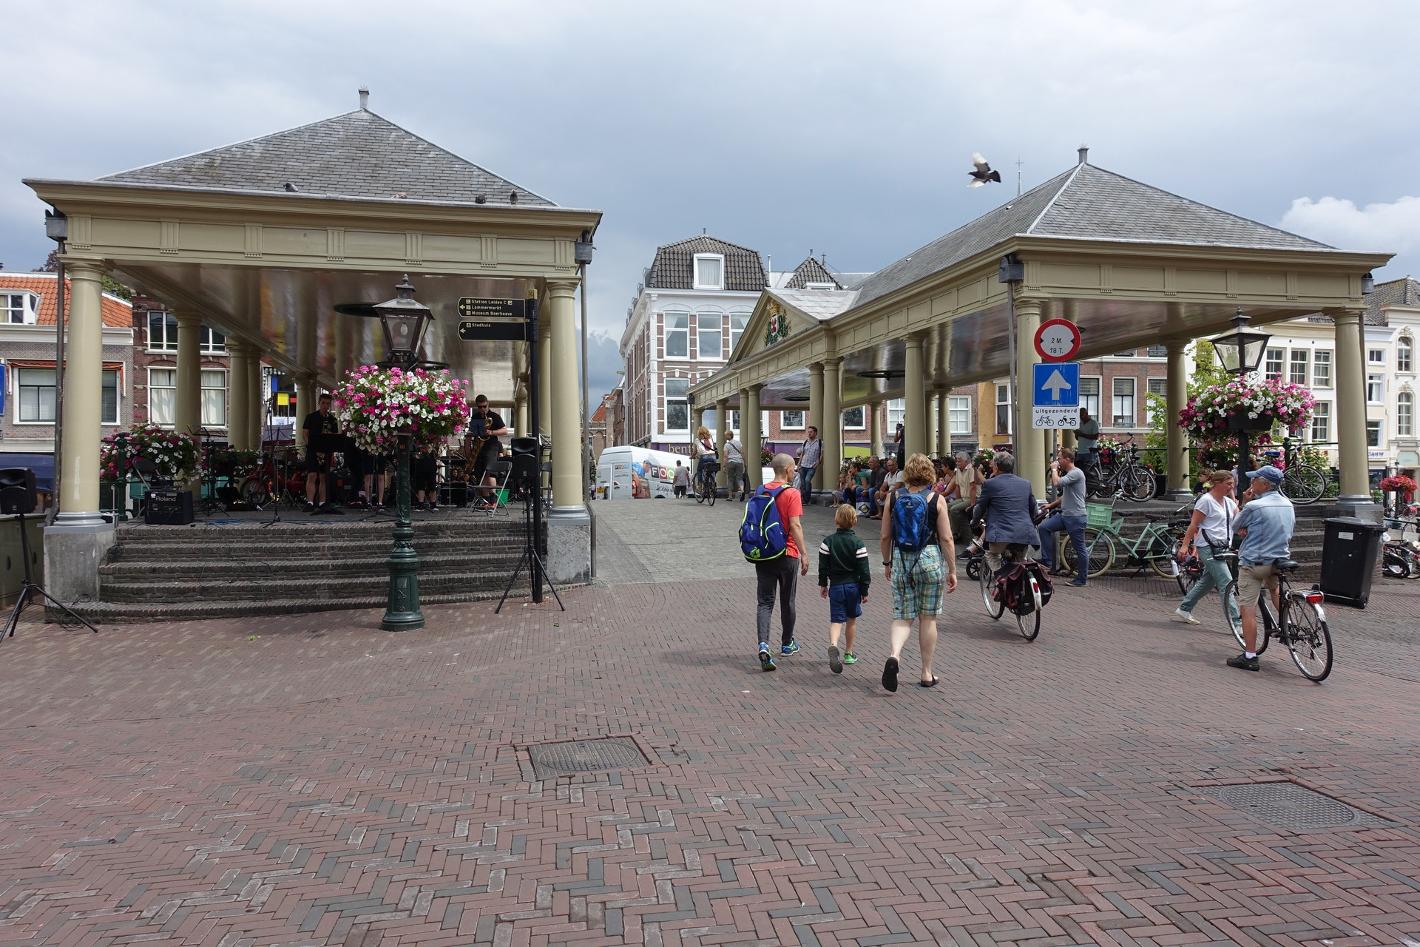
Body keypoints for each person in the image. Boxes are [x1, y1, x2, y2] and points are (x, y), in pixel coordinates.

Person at [879, 453, 957, 691]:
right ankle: (926, 672)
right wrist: (952, 569)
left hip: (902, 559)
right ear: (929, 473)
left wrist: (886, 562)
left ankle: (895, 655)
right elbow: (946, 537)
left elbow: (885, 535)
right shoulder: (937, 499)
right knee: (928, 617)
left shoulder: (894, 497)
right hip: (930, 557)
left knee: (903, 615)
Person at [1226, 465, 1295, 672]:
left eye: (1255, 479)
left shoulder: (1255, 506)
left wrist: (1246, 503)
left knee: (1248, 608)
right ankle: (1288, 624)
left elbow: (1235, 527)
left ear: (1264, 484)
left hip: (1254, 563)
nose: (1251, 482)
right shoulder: (1288, 504)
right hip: (1279, 560)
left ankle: (1250, 656)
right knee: (1275, 589)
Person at [755, 454, 810, 671]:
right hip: (787, 552)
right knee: (788, 600)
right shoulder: (792, 493)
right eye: (794, 468)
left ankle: (763, 644)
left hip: (765, 553)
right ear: (787, 469)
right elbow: (795, 526)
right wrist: (804, 554)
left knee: (765, 602)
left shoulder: (760, 491)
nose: (795, 471)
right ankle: (787, 643)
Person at [1173, 470, 1242, 631]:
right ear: (1217, 483)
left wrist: (1243, 500)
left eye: (1233, 483)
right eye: (1228, 483)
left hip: (1222, 546)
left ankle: (1184, 608)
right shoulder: (1205, 501)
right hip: (1207, 547)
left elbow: (1239, 521)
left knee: (1207, 581)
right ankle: (1237, 623)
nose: (1232, 487)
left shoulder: (1229, 503)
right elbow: (1194, 524)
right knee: (1226, 582)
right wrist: (1185, 545)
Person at [819, 503, 871, 673]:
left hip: (836, 586)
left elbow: (823, 567)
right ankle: (848, 653)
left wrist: (823, 584)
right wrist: (864, 590)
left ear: (836, 520)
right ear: (854, 521)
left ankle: (833, 645)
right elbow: (864, 570)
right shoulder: (858, 543)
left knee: (836, 620)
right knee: (851, 619)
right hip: (853, 586)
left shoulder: (828, 542)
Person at [971, 451, 1038, 574]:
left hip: (1000, 534)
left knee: (991, 554)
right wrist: (1031, 525)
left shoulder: (990, 484)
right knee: (1021, 562)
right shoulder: (1025, 483)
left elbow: (979, 508)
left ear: (996, 466)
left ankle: (1001, 580)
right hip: (1024, 533)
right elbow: (1033, 508)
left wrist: (974, 522)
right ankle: (1021, 582)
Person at [1038, 449, 1089, 587]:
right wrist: (1050, 506)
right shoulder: (1070, 474)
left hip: (1076, 517)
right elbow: (1065, 496)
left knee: (1080, 548)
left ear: (1067, 459)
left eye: (1060, 459)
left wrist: (1054, 469)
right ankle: (1047, 561)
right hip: (1065, 515)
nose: (1058, 461)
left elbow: (1057, 483)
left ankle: (1082, 579)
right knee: (1043, 527)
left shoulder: (1076, 473)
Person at [303, 392, 343, 514]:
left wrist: (333, 453)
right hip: (313, 451)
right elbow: (305, 433)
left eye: (328, 403)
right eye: (323, 403)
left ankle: (322, 502)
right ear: (319, 403)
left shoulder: (332, 419)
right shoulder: (311, 417)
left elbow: (335, 436)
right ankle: (310, 502)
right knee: (312, 475)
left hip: (326, 452)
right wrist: (310, 446)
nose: (325, 406)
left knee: (323, 477)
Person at [468, 395, 511, 506]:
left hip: (491, 447)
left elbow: (505, 431)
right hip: (479, 447)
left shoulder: (494, 416)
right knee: (480, 474)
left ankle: (493, 500)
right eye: (480, 407)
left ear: (488, 404)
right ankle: (486, 501)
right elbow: (473, 432)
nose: (482, 409)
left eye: (484, 406)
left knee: (490, 473)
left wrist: (491, 432)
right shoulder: (475, 417)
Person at [941, 451, 982, 547]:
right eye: (957, 461)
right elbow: (958, 486)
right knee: (947, 507)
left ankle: (960, 535)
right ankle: (954, 532)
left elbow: (973, 487)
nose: (957, 463)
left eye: (959, 461)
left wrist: (972, 504)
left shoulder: (971, 469)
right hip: (964, 498)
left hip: (974, 498)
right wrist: (957, 500)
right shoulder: (958, 471)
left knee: (955, 509)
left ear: (966, 461)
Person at [1074, 408, 1101, 485]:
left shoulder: (1094, 423)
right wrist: (1077, 434)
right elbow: (1077, 438)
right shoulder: (1080, 423)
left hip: (1090, 451)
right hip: (1080, 451)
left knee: (1089, 471)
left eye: (1081, 415)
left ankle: (1093, 489)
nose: (1080, 417)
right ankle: (1084, 489)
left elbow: (1095, 436)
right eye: (1079, 416)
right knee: (1080, 472)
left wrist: (1082, 434)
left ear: (1086, 414)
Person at [797, 425, 822, 499]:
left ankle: (807, 498)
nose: (809, 433)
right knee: (803, 483)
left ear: (815, 433)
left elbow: (821, 455)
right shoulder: (805, 442)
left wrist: (817, 463)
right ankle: (804, 499)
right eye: (808, 432)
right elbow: (802, 454)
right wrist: (798, 464)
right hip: (803, 465)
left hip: (811, 467)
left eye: (811, 432)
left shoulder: (820, 443)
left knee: (807, 481)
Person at [693, 425, 719, 496]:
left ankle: (700, 485)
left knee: (699, 470)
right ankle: (713, 483)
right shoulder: (711, 438)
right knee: (712, 469)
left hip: (704, 457)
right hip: (713, 457)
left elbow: (695, 452)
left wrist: (692, 456)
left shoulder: (697, 440)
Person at [723, 430, 746, 502]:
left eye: (726, 435)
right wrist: (745, 462)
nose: (725, 436)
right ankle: (742, 490)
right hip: (739, 462)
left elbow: (725, 456)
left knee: (730, 479)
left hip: (731, 462)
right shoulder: (739, 443)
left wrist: (724, 465)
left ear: (730, 436)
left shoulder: (726, 445)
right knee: (739, 478)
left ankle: (730, 496)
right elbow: (742, 453)